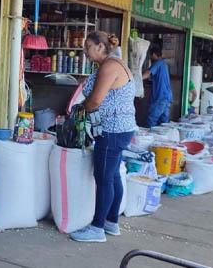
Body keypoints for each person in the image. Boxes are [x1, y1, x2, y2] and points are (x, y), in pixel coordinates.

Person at [70, 31, 136, 243]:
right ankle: (111, 223)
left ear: (100, 46)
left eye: (87, 47)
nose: (85, 52)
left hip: (112, 131)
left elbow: (96, 100)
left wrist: (79, 111)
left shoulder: (109, 66)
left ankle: (97, 228)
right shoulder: (114, 63)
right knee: (113, 175)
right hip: (120, 129)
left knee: (104, 178)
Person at [142, 44, 173, 126]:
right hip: (167, 97)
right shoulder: (164, 64)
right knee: (164, 123)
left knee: (151, 120)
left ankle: (150, 138)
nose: (150, 57)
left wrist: (136, 79)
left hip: (160, 97)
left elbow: (148, 73)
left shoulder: (157, 63)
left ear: (154, 55)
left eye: (151, 55)